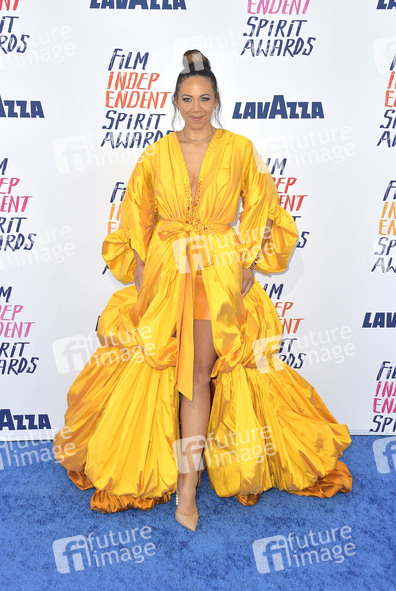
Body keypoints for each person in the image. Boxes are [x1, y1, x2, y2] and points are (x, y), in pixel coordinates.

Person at [54, 49, 352, 532]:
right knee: (167, 371)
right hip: (168, 272)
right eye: (188, 99)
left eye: (205, 98)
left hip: (215, 272)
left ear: (217, 101)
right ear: (175, 102)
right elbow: (136, 213)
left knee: (199, 374)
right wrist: (142, 265)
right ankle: (166, 470)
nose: (196, 107)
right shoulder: (155, 153)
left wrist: (248, 259)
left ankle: (189, 488)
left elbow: (262, 205)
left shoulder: (240, 148)